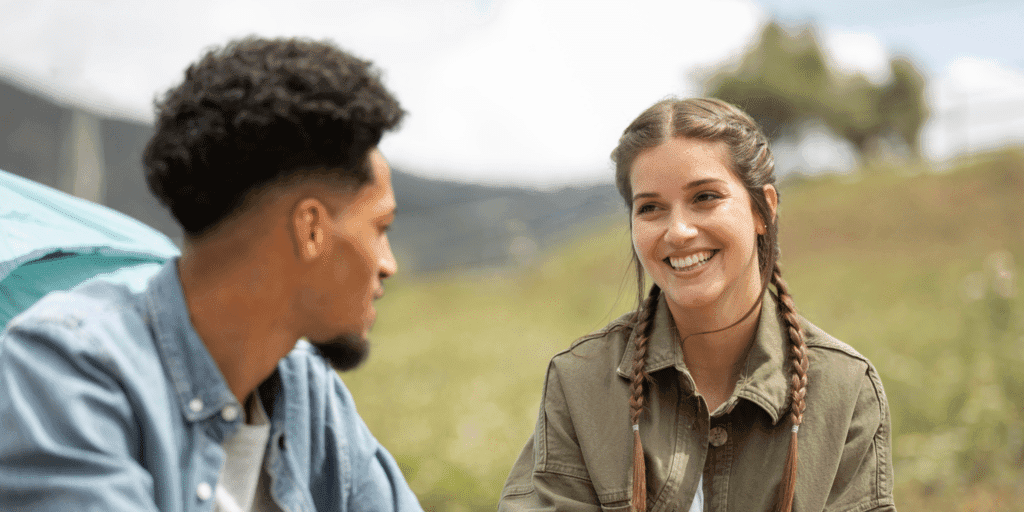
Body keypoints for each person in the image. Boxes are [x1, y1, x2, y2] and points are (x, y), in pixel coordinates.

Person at [0, 37, 423, 512]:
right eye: (380, 228)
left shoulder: (306, 388)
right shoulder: (66, 368)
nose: (388, 264)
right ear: (310, 229)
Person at [499, 98, 896, 512]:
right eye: (650, 207)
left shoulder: (845, 388)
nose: (679, 231)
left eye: (705, 197)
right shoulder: (581, 381)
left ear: (765, 209)